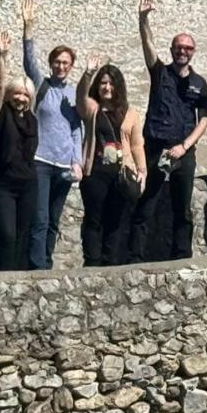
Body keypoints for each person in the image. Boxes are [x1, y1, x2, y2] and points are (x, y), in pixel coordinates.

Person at [132, 0, 207, 261]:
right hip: (155, 148)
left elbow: (204, 120)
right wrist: (143, 19)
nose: (183, 52)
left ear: (193, 52)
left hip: (183, 152)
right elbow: (148, 45)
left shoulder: (199, 83)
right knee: (146, 203)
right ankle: (135, 258)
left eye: (188, 48)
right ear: (172, 49)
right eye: (179, 47)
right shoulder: (159, 72)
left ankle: (182, 256)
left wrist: (184, 147)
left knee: (183, 208)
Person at [20, 0, 83, 269]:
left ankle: (47, 262)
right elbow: (28, 62)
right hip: (42, 161)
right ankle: (37, 266)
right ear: (51, 63)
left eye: (65, 63)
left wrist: (77, 161)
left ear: (71, 66)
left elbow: (77, 129)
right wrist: (28, 28)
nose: (61, 66)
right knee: (40, 217)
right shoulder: (41, 85)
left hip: (65, 164)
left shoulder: (74, 92)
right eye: (57, 62)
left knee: (54, 220)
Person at [76, 58, 146, 267]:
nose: (107, 87)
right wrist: (88, 74)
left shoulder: (130, 113)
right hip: (95, 172)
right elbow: (80, 98)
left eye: (111, 83)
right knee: (94, 218)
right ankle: (92, 262)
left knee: (116, 220)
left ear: (118, 86)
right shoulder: (93, 109)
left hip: (121, 174)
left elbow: (136, 145)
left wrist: (142, 171)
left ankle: (111, 262)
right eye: (103, 83)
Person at [0, 34, 39, 270]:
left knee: (22, 235)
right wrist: (3, 58)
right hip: (3, 184)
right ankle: (3, 278)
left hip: (27, 183)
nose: (20, 98)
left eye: (25, 94)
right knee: (7, 234)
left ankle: (19, 279)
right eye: (17, 93)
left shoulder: (32, 120)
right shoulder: (0, 115)